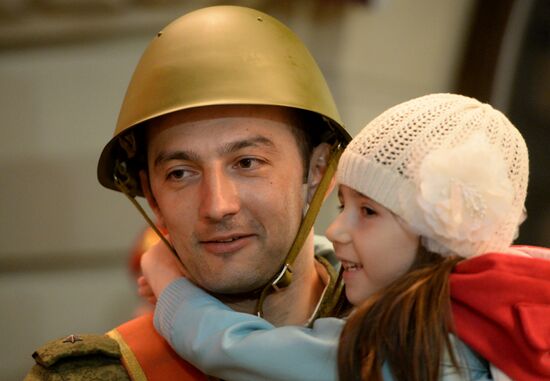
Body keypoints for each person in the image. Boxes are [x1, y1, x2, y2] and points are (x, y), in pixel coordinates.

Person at [24, 5, 351, 381]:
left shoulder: (413, 342)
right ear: (151, 194)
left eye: (247, 162)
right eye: (181, 173)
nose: (217, 206)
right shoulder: (107, 374)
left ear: (318, 172)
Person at [139, 93, 550, 381]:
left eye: (368, 212)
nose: (336, 230)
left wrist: (167, 279)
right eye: (343, 207)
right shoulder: (482, 318)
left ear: (439, 234)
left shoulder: (409, 347)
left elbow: (234, 351)